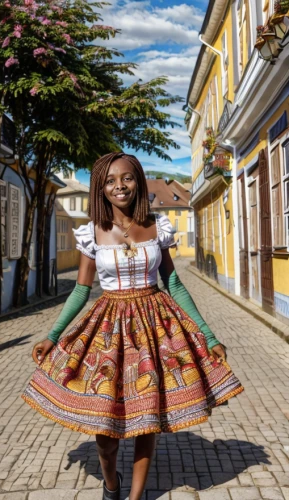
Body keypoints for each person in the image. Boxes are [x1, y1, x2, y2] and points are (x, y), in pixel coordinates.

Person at [22, 152, 243, 500]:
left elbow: (174, 283)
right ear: (101, 188)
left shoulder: (158, 227)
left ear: (137, 181)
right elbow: (81, 290)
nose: (119, 185)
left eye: (126, 178)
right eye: (109, 181)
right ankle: (112, 483)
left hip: (155, 328)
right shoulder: (92, 232)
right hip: (107, 330)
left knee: (146, 416)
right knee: (106, 437)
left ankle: (136, 497)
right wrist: (53, 335)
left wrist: (208, 334)